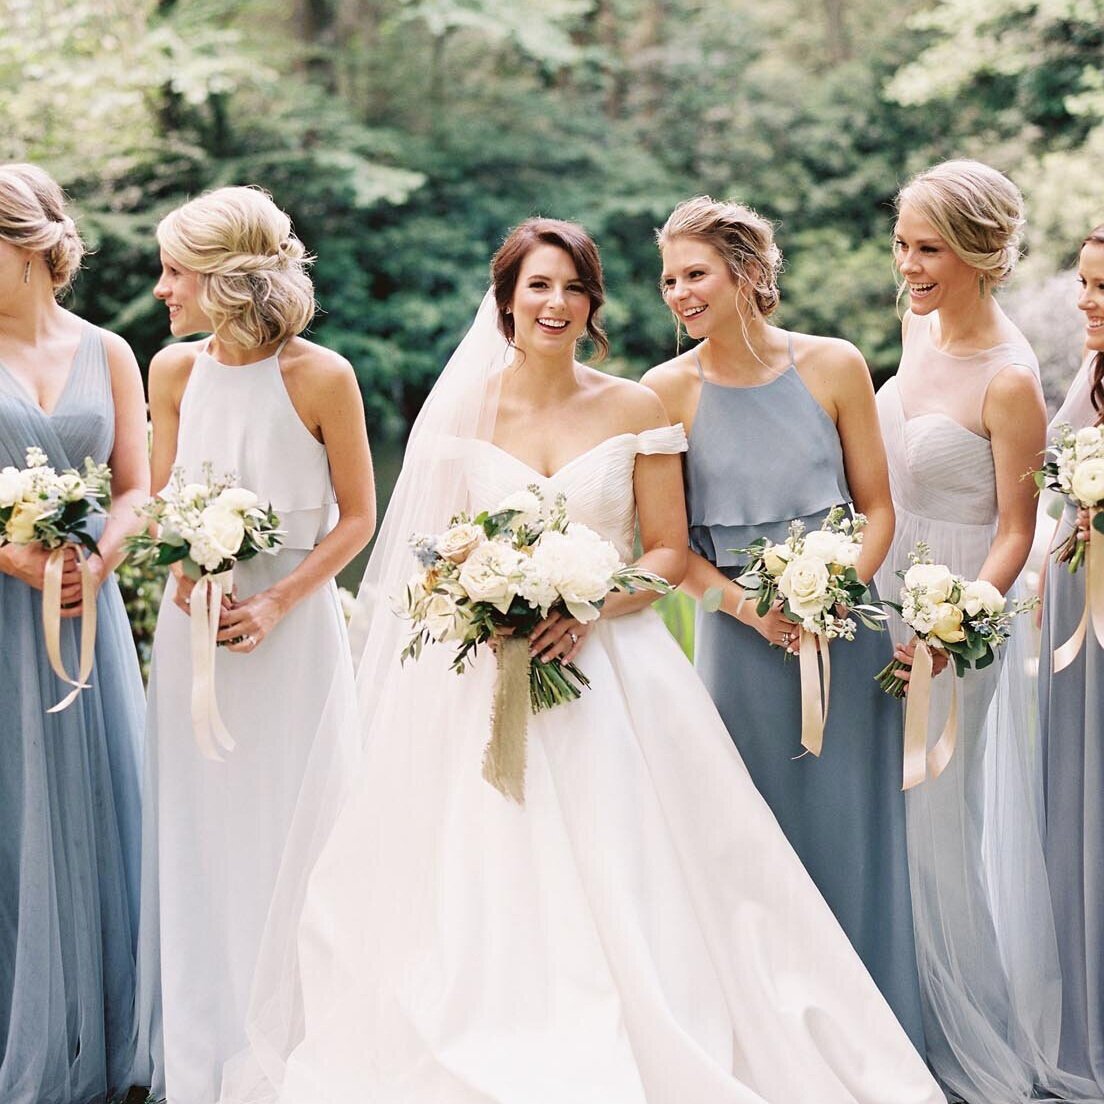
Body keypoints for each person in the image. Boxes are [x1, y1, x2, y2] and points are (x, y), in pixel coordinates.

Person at [220, 217, 942, 1104]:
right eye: (538, 286)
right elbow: (432, 557)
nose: (555, 303)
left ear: (594, 304)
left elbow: (667, 552)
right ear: (506, 301)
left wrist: (589, 602)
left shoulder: (636, 406)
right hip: (485, 674)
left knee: (649, 867)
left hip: (616, 671)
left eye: (573, 288)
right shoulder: (462, 415)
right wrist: (489, 601)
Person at [643, 195, 925, 1049]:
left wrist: (838, 591)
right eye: (669, 280)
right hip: (738, 646)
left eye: (695, 274)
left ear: (747, 273)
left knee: (854, 832)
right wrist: (750, 611)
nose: (679, 294)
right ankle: (771, 1049)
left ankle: (877, 1041)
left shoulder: (835, 365)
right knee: (746, 837)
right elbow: (672, 552)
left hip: (847, 631)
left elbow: (878, 508)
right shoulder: (664, 391)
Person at [130, 186, 376, 1104]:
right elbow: (161, 498)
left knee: (290, 830)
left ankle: (298, 1037)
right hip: (194, 639)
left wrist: (276, 601)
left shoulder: (322, 376)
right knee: (199, 832)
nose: (161, 289)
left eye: (175, 272)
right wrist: (178, 562)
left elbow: (357, 518)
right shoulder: (172, 372)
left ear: (224, 280)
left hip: (291, 637)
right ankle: (203, 1039)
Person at [874, 160, 1093, 1103]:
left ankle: (958, 1029)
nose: (908, 265)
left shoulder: (1010, 379)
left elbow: (1015, 529)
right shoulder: (915, 327)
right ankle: (888, 1007)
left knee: (940, 818)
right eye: (902, 244)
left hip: (962, 609)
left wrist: (952, 621)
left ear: (978, 253)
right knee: (887, 814)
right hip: (885, 586)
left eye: (928, 249)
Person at [0, 163, 148, 1104]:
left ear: (27, 244)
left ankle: (101, 1027)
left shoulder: (110, 349)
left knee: (98, 799)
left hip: (87, 607)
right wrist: (12, 557)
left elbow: (135, 487)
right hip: (7, 599)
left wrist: (97, 565)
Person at [1038, 224, 1104, 1094]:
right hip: (1077, 611)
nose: (1086, 301)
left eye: (1103, 287)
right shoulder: (1093, 369)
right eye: (1084, 283)